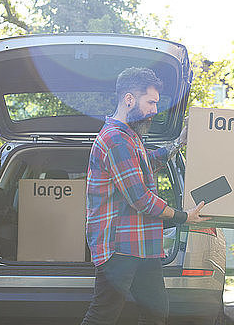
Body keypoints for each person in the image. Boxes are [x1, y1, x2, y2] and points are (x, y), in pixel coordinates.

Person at [81, 67, 206, 325]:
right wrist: (183, 216)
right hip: (118, 245)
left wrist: (177, 144)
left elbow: (147, 163)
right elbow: (140, 198)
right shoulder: (116, 138)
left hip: (142, 244)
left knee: (156, 311)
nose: (154, 110)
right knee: (103, 315)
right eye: (150, 102)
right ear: (129, 99)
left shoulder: (131, 136)